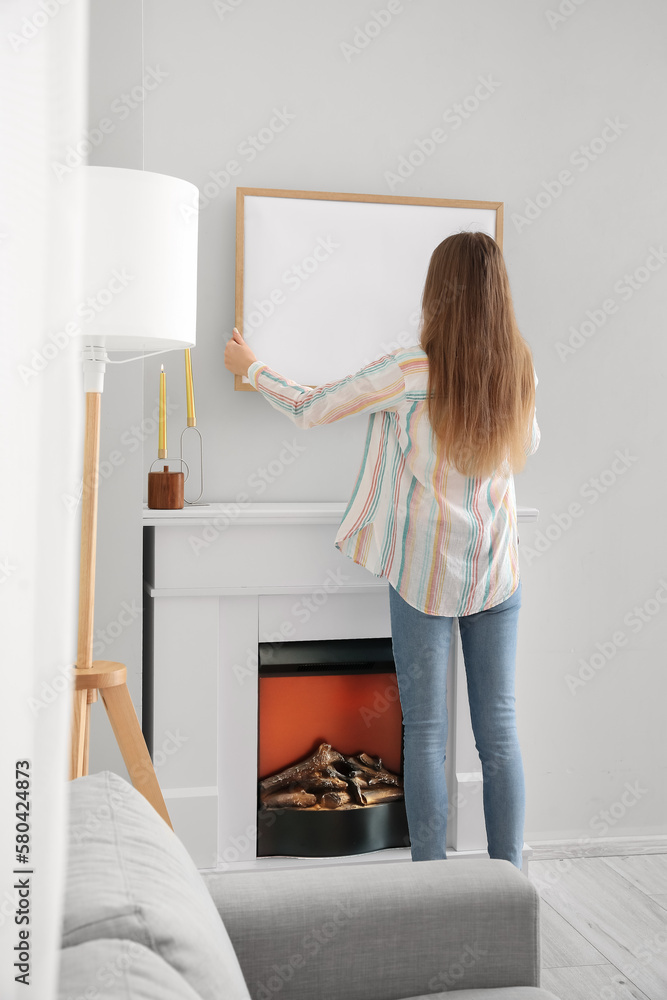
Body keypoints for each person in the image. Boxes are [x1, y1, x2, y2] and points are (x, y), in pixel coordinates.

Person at [224, 231, 540, 870]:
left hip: (424, 573)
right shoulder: (520, 371)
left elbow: (314, 409)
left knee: (425, 735)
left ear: (438, 292)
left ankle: (429, 885)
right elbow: (525, 448)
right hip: (496, 571)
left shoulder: (409, 371)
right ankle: (511, 883)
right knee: (499, 737)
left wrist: (250, 368)